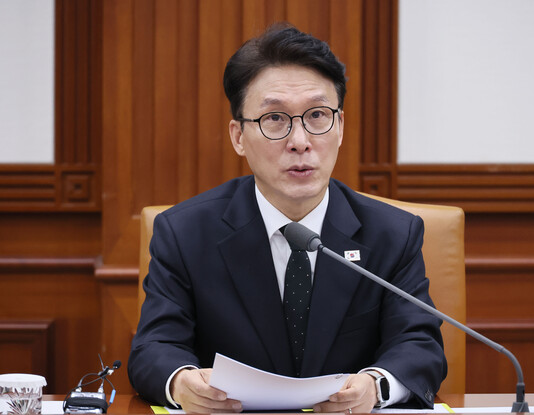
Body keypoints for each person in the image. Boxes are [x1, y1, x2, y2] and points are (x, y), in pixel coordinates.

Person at [128, 23, 447, 413]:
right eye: (275, 118)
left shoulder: (392, 233)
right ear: (238, 136)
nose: (300, 141)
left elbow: (419, 344)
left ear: (340, 126)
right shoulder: (184, 233)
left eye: (317, 115)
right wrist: (182, 383)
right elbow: (154, 347)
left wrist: (374, 387)